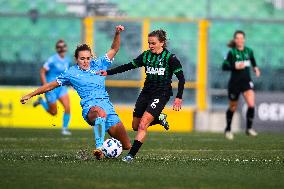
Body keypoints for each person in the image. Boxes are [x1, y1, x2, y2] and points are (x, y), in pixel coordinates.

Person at [20, 25, 131, 160]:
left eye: (88, 58)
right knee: (99, 113)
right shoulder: (71, 73)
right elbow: (50, 85)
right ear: (76, 59)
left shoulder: (99, 64)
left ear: (91, 57)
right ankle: (99, 147)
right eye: (82, 59)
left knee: (126, 146)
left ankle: (106, 148)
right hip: (91, 108)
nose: (85, 61)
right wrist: (31, 94)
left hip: (108, 108)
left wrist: (117, 34)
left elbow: (114, 49)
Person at [98, 29, 185, 162]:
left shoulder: (170, 58)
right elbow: (128, 66)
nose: (150, 46)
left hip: (161, 93)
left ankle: (130, 156)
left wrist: (178, 97)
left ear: (162, 43)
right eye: (149, 43)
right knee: (135, 125)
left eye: (153, 43)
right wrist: (108, 73)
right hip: (146, 92)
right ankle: (159, 118)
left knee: (143, 125)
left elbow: (181, 78)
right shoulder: (146, 56)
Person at [222, 30, 261, 140]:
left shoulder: (249, 51)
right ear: (235, 40)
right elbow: (224, 66)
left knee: (251, 104)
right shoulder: (232, 53)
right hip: (235, 84)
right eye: (237, 38)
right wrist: (235, 67)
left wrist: (256, 68)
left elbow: (253, 61)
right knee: (233, 107)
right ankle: (228, 129)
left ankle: (249, 128)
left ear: (244, 39)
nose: (239, 40)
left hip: (246, 82)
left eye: (241, 38)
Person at [33, 39, 72, 135]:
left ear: (66, 48)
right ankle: (41, 101)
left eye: (63, 46)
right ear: (56, 49)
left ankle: (64, 129)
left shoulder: (67, 60)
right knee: (54, 112)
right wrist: (45, 85)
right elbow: (42, 71)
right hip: (51, 88)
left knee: (67, 107)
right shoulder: (52, 59)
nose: (61, 49)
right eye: (59, 47)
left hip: (61, 87)